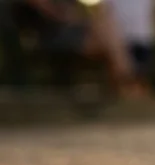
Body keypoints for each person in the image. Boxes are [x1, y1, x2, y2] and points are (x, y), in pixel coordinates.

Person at [0, 0, 135, 95]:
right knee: (105, 29)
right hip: (49, 33)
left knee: (105, 23)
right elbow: (47, 8)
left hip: (66, 30)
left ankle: (124, 78)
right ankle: (126, 79)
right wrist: (67, 15)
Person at [102, 0, 155, 96]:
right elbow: (106, 13)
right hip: (122, 39)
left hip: (144, 38)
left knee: (140, 75)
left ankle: (140, 98)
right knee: (125, 75)